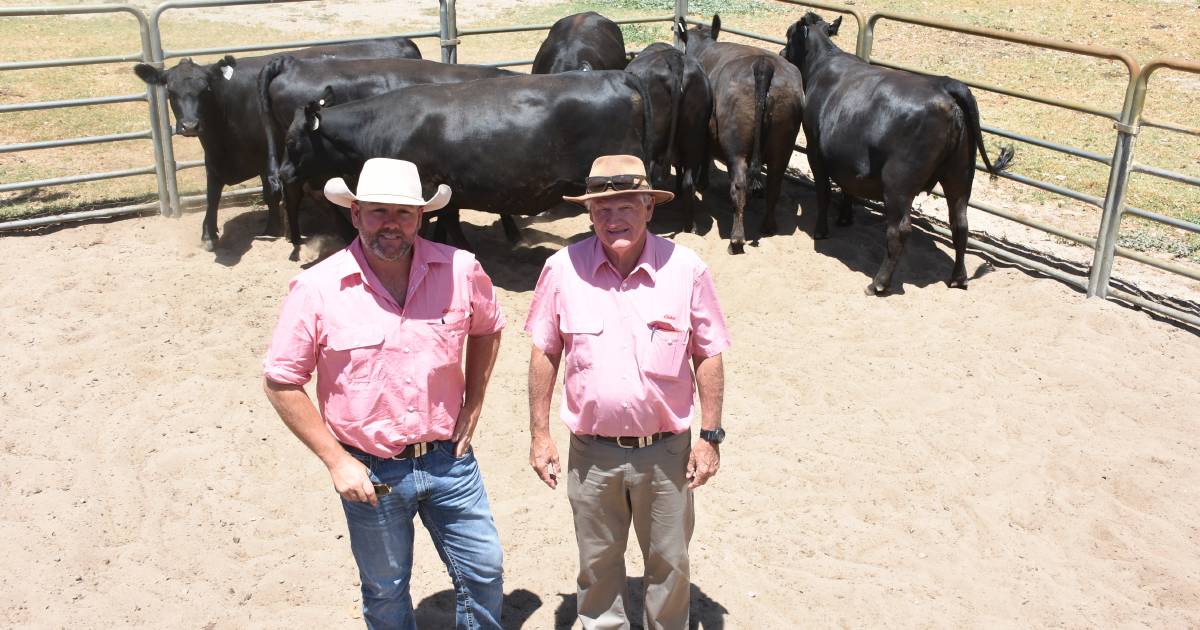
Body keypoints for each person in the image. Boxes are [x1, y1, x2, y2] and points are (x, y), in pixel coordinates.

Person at [262, 158, 506, 629]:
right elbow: (281, 381)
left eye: (403, 214)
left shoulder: (461, 269)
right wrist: (337, 461)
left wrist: (474, 402)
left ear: (421, 217)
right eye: (378, 212)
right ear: (355, 215)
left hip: (449, 459)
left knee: (484, 570)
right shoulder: (317, 287)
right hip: (370, 469)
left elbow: (488, 328)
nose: (390, 225)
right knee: (386, 588)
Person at [525, 154, 731, 629]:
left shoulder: (686, 269)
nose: (613, 219)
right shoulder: (561, 269)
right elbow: (544, 353)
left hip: (667, 451)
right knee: (597, 564)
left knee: (671, 563)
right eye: (602, 209)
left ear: (648, 208)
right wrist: (540, 434)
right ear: (589, 214)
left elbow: (709, 353)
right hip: (591, 453)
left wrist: (711, 437)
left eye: (625, 207)